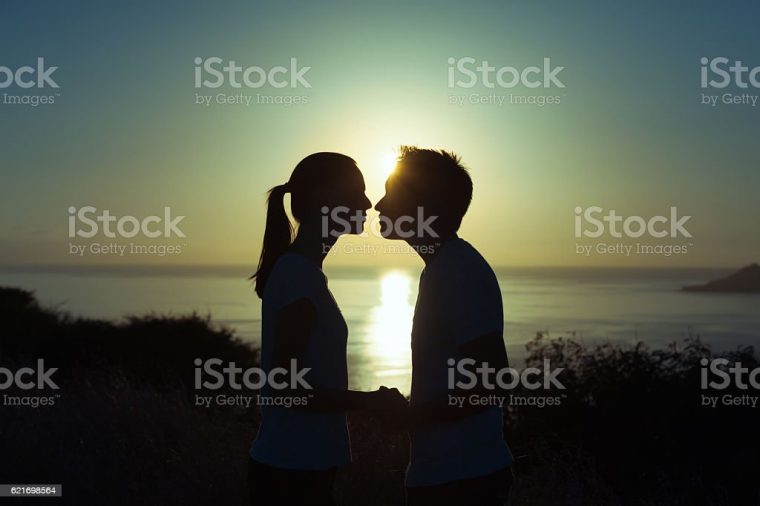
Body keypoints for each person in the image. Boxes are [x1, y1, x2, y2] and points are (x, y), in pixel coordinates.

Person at [249, 152, 407, 506]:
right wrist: (369, 401)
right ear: (323, 198)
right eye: (356, 192)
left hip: (299, 469)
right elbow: (286, 387)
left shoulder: (304, 274)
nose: (367, 203)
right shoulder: (298, 278)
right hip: (290, 475)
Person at [375, 146, 514, 506]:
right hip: (453, 476)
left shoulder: (457, 271)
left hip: (462, 481)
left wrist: (408, 418)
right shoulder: (442, 268)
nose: (378, 205)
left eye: (390, 193)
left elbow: (492, 381)